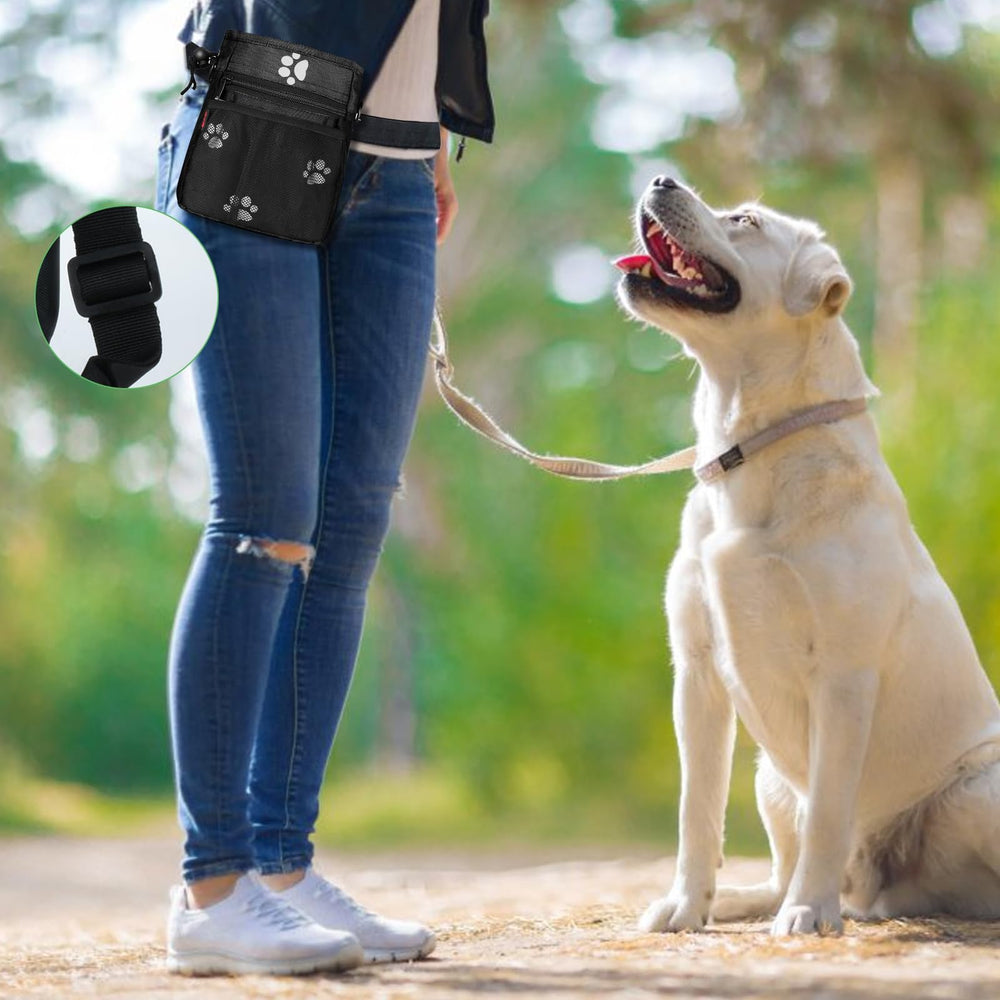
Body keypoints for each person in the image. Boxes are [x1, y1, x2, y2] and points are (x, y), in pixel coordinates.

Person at [155, 0, 494, 976]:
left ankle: (281, 865)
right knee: (265, 525)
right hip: (260, 126)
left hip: (395, 175)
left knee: (345, 538)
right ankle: (212, 885)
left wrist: (429, 133)